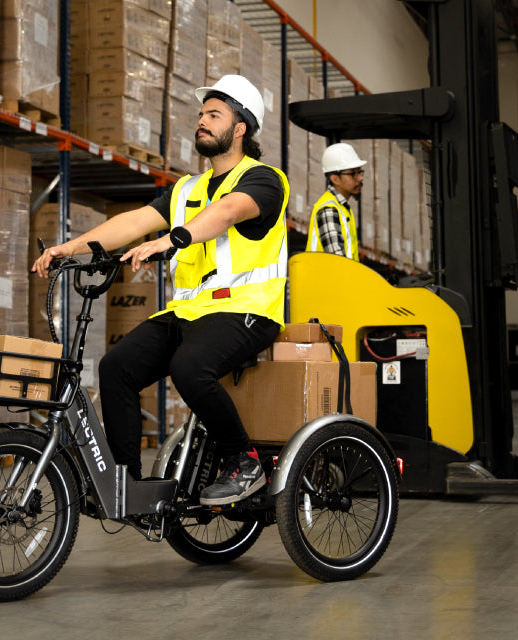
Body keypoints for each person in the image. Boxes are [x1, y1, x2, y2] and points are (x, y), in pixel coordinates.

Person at [32, 75, 290, 506]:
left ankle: (243, 462)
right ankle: (125, 485)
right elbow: (132, 223)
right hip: (191, 313)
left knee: (188, 368)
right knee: (116, 367)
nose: (201, 122)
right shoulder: (186, 189)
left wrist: (174, 238)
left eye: (213, 115)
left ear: (240, 127)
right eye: (201, 115)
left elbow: (227, 212)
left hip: (249, 310)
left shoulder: (263, 180)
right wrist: (68, 248)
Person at [305, 142, 366, 260]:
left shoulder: (342, 208)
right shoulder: (329, 210)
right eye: (353, 173)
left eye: (359, 172)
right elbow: (337, 263)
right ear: (335, 179)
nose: (360, 178)